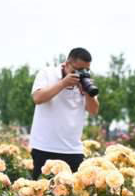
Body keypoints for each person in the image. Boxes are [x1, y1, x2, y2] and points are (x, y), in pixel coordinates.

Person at [29, 48, 100, 179]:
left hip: (73, 150)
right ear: (67, 63)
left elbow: (94, 111)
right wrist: (63, 83)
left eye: (86, 70)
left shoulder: (85, 82)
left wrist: (87, 94)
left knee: (75, 195)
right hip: (44, 148)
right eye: (78, 69)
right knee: (40, 193)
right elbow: (38, 98)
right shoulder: (47, 73)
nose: (82, 73)